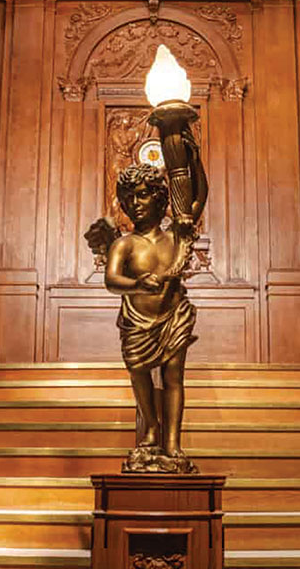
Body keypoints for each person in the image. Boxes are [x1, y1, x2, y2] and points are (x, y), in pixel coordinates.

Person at [85, 164, 199, 473]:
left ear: (161, 200)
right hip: (137, 321)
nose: (136, 203)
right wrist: (136, 284)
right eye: (130, 198)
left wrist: (193, 155)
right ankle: (150, 429)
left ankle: (173, 443)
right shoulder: (124, 244)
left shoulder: (177, 235)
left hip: (173, 315)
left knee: (174, 377)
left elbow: (198, 193)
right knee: (139, 374)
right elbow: (111, 280)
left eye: (144, 195)